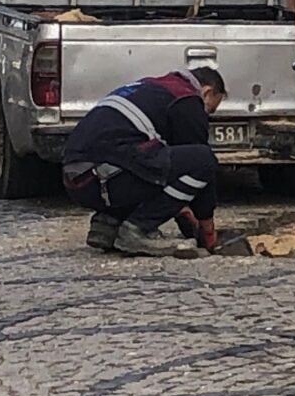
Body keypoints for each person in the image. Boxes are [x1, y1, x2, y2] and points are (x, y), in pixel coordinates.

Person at [62, 68, 226, 256]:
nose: (206, 117)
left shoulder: (150, 88)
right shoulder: (187, 99)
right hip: (105, 177)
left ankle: (108, 222)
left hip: (80, 180)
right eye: (210, 110)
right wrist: (207, 228)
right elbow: (199, 163)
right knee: (204, 160)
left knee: (151, 160)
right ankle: (136, 229)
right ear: (207, 92)